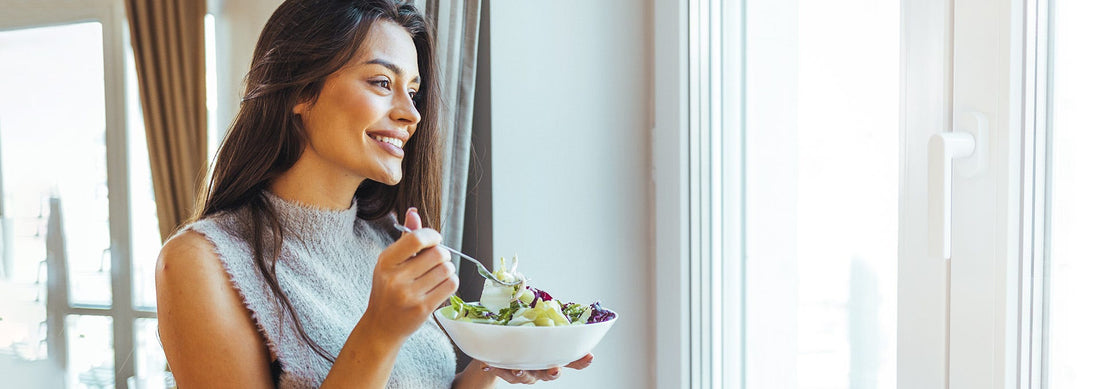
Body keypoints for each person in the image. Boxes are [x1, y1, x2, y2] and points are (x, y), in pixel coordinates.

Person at [154, 1, 593, 387]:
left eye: (414, 92)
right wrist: (380, 331)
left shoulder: (386, 240)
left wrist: (498, 359)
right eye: (383, 83)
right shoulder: (202, 263)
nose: (410, 114)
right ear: (301, 90)